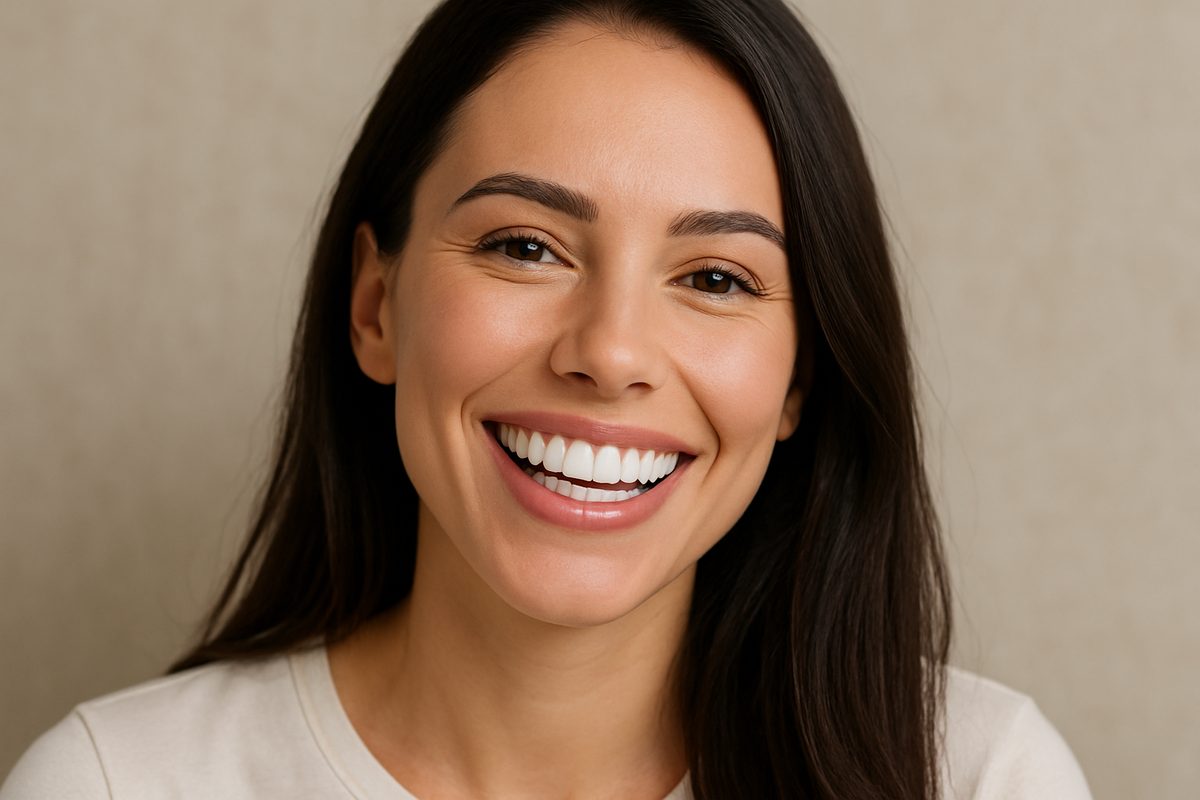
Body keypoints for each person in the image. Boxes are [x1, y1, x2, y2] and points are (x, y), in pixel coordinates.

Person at [2, 1, 1093, 798]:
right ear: (376, 308)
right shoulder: (115, 783)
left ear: (799, 378)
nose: (609, 352)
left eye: (717, 278)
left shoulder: (978, 777)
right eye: (525, 247)